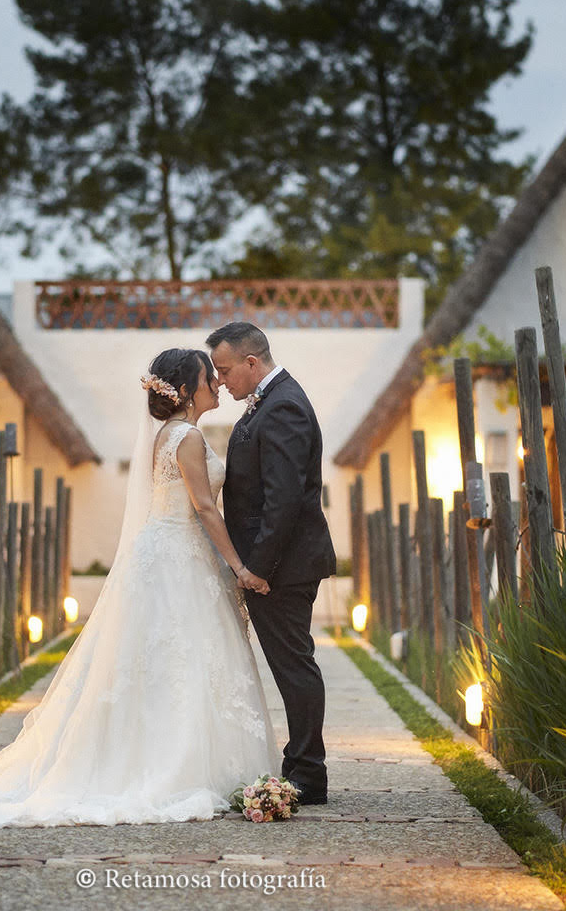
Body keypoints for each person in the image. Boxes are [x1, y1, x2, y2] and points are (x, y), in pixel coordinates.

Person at [0, 348, 278, 827]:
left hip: (163, 554)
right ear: (184, 392)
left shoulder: (164, 436)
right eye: (208, 378)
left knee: (158, 662)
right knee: (182, 660)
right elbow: (203, 507)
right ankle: (174, 765)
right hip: (179, 555)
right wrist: (239, 566)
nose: (217, 384)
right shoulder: (189, 437)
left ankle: (156, 756)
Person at [206, 322, 335, 805]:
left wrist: (258, 567)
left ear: (251, 363)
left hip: (284, 567)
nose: (221, 381)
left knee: (294, 667)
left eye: (224, 370)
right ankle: (303, 766)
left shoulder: (282, 406)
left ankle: (307, 773)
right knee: (292, 664)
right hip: (280, 564)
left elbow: (282, 501)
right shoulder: (271, 399)